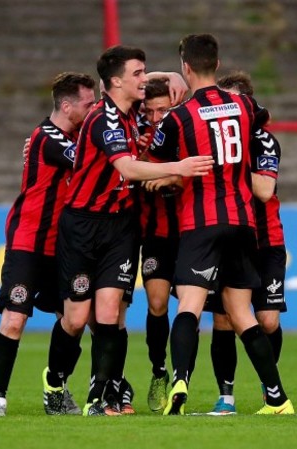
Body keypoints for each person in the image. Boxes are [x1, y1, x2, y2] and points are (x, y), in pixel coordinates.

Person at [43, 45, 214, 417]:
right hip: (83, 224)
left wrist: (164, 75)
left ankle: (101, 397)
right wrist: (180, 168)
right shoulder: (103, 120)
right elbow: (127, 168)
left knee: (109, 312)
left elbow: (175, 80)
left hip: (120, 227)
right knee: (74, 319)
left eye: (144, 72)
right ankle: (54, 383)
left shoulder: (132, 109)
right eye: (137, 74)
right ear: (116, 82)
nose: (144, 79)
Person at [148, 33, 294, 415]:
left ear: (185, 67)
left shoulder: (180, 116)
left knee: (190, 307)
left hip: (201, 220)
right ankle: (277, 398)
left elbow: (161, 160)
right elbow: (262, 122)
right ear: (218, 62)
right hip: (243, 222)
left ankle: (180, 379)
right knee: (242, 313)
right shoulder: (244, 105)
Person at [0, 72, 97, 417]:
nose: (93, 110)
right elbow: (91, 163)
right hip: (29, 240)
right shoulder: (46, 137)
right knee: (15, 319)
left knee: (75, 320)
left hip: (63, 244)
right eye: (88, 104)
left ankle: (56, 387)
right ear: (66, 106)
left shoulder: (77, 134)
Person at [206, 71, 289, 415]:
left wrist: (229, 165)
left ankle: (268, 386)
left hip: (266, 241)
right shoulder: (214, 140)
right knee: (224, 320)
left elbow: (265, 190)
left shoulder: (263, 141)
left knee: (267, 320)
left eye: (229, 102)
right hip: (228, 238)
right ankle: (226, 397)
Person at [136, 78, 180, 412]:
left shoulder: (185, 129)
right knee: (156, 303)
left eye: (162, 109)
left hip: (193, 232)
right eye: (149, 110)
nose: (154, 116)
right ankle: (159, 370)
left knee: (216, 311)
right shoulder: (136, 138)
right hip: (155, 234)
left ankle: (194, 380)